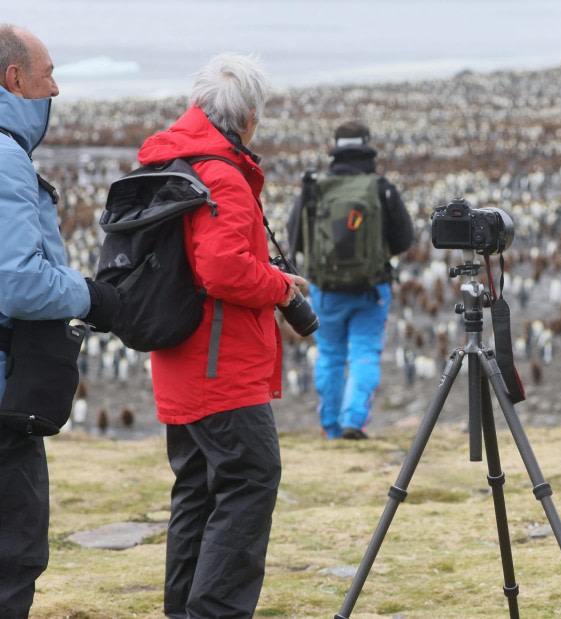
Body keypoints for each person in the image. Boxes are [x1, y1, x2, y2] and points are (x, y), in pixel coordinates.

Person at [136, 52, 306, 618]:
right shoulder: (221, 177)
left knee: (197, 489)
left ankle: (182, 610)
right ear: (250, 117)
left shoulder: (172, 164)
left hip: (178, 359)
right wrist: (280, 286)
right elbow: (222, 269)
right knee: (252, 480)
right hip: (220, 368)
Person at [0, 24, 119, 617]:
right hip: (4, 399)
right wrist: (91, 296)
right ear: (14, 79)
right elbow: (18, 282)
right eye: (47, 75)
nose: (55, 90)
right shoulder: (4, 158)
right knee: (13, 556)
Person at [288, 120, 413, 439]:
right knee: (364, 353)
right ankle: (353, 421)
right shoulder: (381, 188)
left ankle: (331, 426)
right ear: (367, 146)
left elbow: (295, 238)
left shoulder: (315, 188)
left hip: (326, 289)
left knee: (329, 355)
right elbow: (403, 239)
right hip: (371, 289)